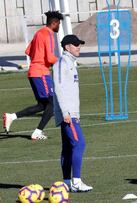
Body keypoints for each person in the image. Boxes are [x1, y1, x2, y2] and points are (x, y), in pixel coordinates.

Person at [3, 11, 63, 140]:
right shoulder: (48, 34)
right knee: (53, 105)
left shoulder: (38, 33)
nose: (59, 26)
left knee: (42, 105)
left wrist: (39, 59)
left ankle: (12, 116)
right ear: (54, 23)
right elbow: (50, 57)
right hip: (41, 73)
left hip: (34, 72)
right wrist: (63, 62)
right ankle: (37, 132)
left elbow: (28, 51)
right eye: (59, 24)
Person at [52, 34, 93, 192]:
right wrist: (66, 113)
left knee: (68, 148)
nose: (79, 47)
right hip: (67, 114)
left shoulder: (70, 63)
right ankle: (76, 182)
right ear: (67, 47)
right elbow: (59, 88)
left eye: (79, 44)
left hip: (71, 113)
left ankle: (67, 183)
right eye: (76, 45)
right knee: (79, 143)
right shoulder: (62, 63)